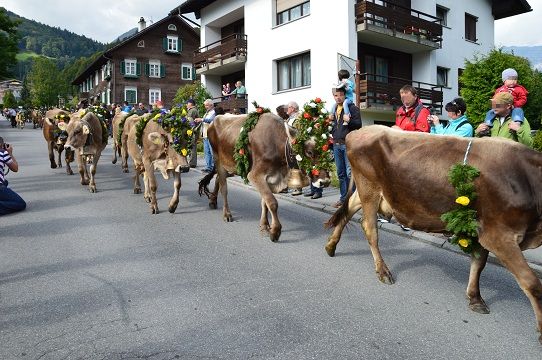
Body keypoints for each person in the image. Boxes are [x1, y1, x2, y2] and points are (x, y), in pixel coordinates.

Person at [328, 87, 362, 208]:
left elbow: (358, 125)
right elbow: (334, 128)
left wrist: (350, 120)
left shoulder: (352, 108)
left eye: (340, 95)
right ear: (333, 96)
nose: (338, 98)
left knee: (349, 174)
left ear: (345, 95)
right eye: (336, 95)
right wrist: (329, 125)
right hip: (336, 145)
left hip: (349, 145)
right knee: (341, 173)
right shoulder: (334, 110)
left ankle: (353, 199)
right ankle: (343, 199)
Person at [0, 138, 26, 215]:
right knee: (20, 204)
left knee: (5, 182)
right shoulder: (2, 152)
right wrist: (10, 153)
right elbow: (15, 168)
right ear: (2, 145)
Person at [195, 99, 216, 172]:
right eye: (205, 105)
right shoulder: (206, 113)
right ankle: (208, 167)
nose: (205, 107)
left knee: (212, 152)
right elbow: (204, 121)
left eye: (206, 105)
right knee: (207, 152)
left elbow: (211, 120)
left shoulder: (214, 112)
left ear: (211, 105)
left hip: (211, 135)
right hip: (205, 135)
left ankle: (214, 167)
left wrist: (202, 119)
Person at [185, 99, 200, 168]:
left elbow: (190, 120)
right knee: (192, 147)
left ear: (190, 104)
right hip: (193, 131)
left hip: (192, 131)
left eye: (187, 103)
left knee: (192, 147)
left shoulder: (192, 110)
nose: (186, 105)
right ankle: (192, 162)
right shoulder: (193, 110)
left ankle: (192, 163)